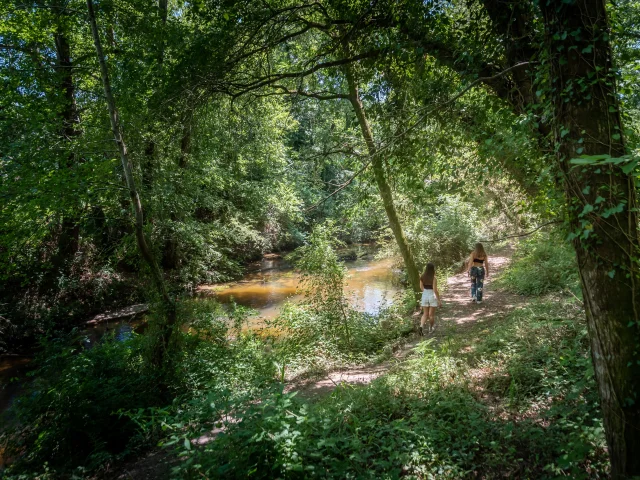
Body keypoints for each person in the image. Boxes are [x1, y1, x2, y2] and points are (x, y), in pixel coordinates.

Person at [419, 263, 441, 335]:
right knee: (431, 315)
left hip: (425, 295)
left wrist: (425, 292)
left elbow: (421, 287)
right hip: (432, 295)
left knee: (425, 314)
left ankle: (421, 327)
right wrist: (439, 300)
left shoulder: (422, 277)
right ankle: (430, 328)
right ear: (433, 269)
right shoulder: (434, 278)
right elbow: (435, 290)